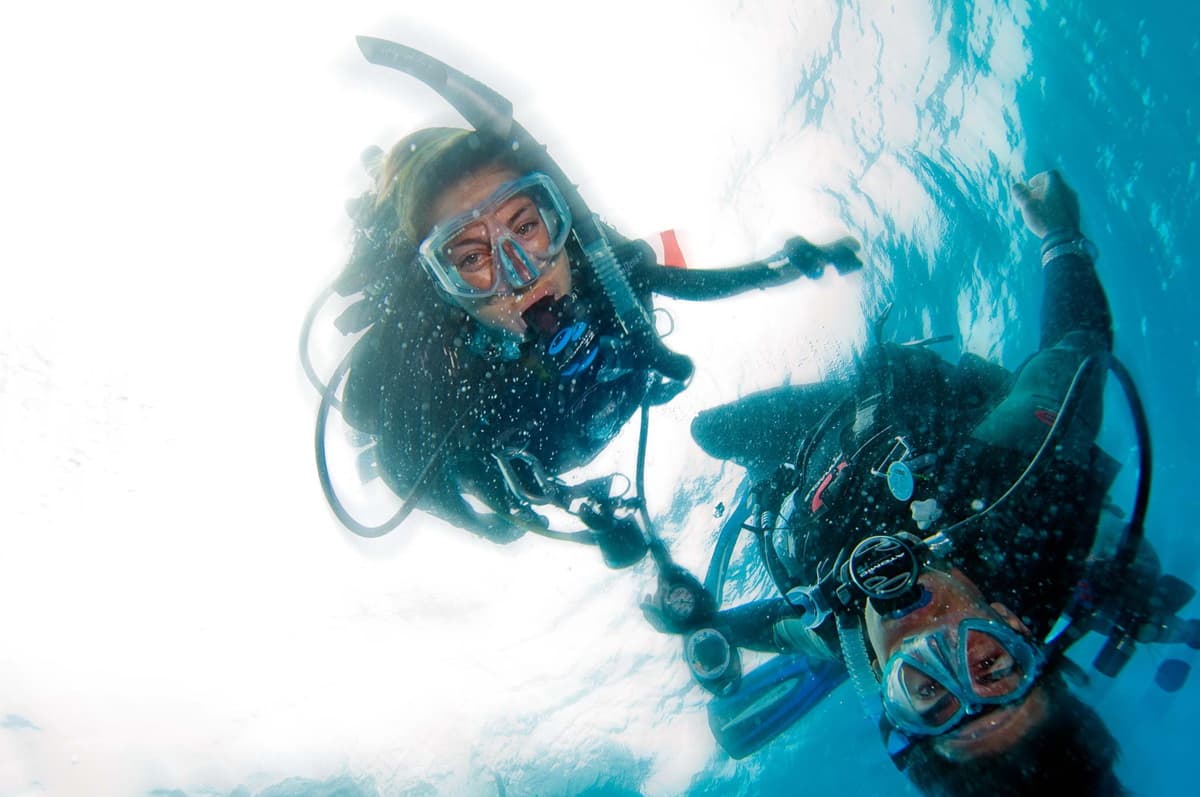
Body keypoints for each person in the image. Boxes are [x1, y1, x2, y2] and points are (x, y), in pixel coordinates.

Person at [644, 170, 1143, 793]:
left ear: (886, 694)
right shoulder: (1030, 498)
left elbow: (757, 625)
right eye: (989, 663)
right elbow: (1076, 347)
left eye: (926, 688)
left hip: (809, 454)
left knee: (715, 433)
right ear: (1017, 629)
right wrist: (1060, 234)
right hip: (897, 403)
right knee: (755, 415)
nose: (928, 632)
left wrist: (694, 620)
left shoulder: (836, 632)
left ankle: (776, 470)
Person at [303, 38, 861, 562]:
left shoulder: (610, 274)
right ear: (444, 290)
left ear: (560, 219)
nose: (521, 275)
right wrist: (499, 521)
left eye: (525, 225)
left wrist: (787, 265)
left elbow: (703, 283)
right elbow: (420, 478)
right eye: (472, 259)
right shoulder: (439, 390)